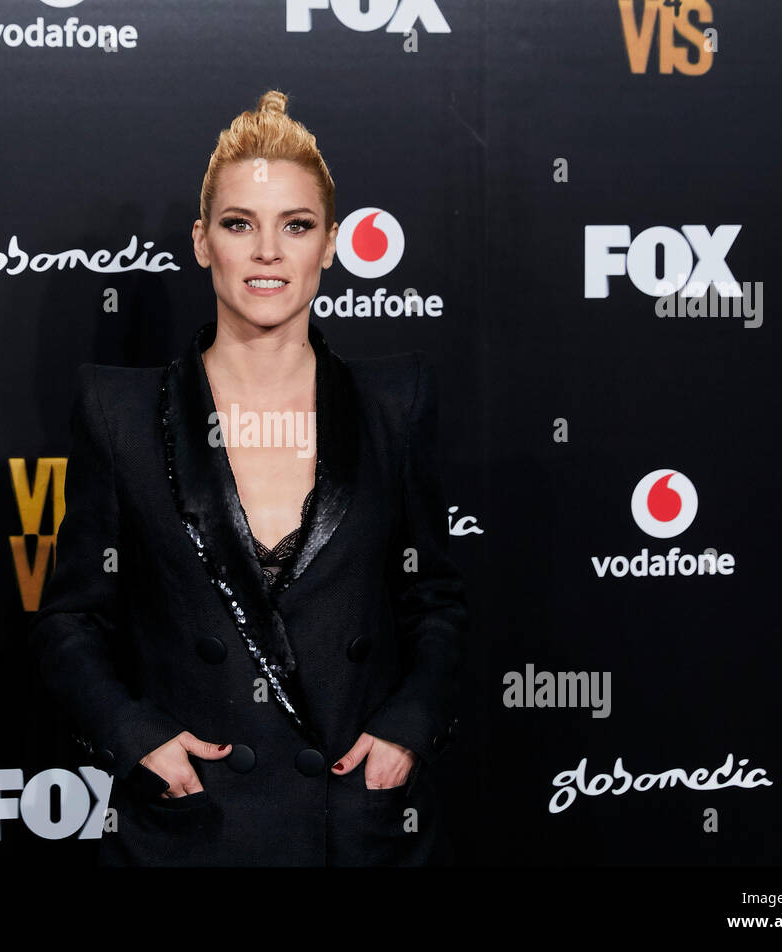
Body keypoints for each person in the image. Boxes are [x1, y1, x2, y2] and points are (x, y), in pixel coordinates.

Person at [29, 89, 470, 866]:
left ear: (330, 244)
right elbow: (71, 621)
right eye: (241, 224)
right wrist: (137, 739)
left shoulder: (394, 401)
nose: (268, 251)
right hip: (193, 830)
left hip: (355, 829)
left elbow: (434, 598)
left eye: (295, 226)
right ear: (204, 242)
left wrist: (410, 726)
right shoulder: (120, 412)